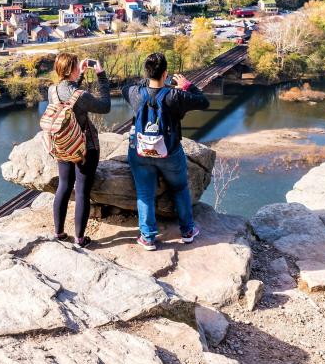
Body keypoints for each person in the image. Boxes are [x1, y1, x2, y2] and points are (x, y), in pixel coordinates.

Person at [123, 52, 209, 250]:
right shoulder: (175, 95)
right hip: (169, 152)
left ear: (147, 73)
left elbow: (124, 87)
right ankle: (187, 230)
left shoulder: (135, 93)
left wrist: (144, 82)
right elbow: (203, 102)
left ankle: (148, 238)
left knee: (144, 193)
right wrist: (187, 86)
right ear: (166, 74)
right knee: (179, 188)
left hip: (141, 152)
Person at [47, 51, 110, 248]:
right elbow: (105, 106)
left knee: (64, 186)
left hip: (63, 145)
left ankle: (59, 233)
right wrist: (101, 75)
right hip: (84, 148)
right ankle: (80, 239)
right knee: (82, 191)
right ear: (72, 69)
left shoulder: (52, 90)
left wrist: (79, 76)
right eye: (76, 66)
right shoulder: (81, 95)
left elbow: (70, 98)